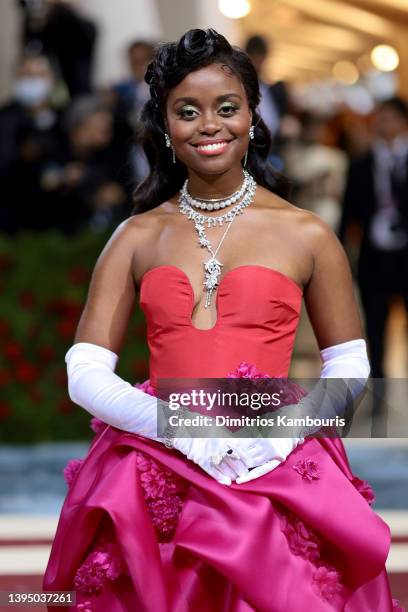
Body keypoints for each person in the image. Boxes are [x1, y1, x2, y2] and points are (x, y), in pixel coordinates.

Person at [43, 30, 402, 611]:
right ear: (165, 126)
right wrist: (180, 429)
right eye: (187, 112)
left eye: (227, 108)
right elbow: (84, 369)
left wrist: (284, 432)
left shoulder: (305, 232)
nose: (209, 125)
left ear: (253, 119)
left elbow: (350, 363)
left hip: (274, 457)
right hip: (152, 456)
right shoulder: (135, 235)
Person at [338, 97, 408, 434]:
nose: (383, 123)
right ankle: (380, 398)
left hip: (406, 256)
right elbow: (348, 213)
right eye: (379, 117)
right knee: (375, 332)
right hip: (374, 259)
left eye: (389, 117)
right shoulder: (362, 163)